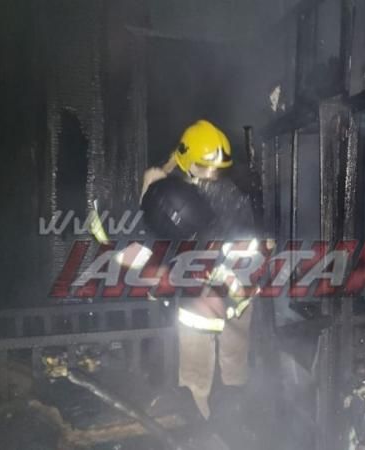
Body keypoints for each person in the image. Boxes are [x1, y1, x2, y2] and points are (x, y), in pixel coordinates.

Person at [119, 120, 257, 443]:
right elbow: (138, 250)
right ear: (184, 160)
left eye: (218, 170)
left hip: (234, 292)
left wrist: (234, 281)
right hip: (195, 299)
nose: (211, 175)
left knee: (235, 364)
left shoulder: (231, 196)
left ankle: (235, 413)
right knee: (196, 370)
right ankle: (199, 425)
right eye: (203, 167)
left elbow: (246, 245)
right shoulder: (164, 195)